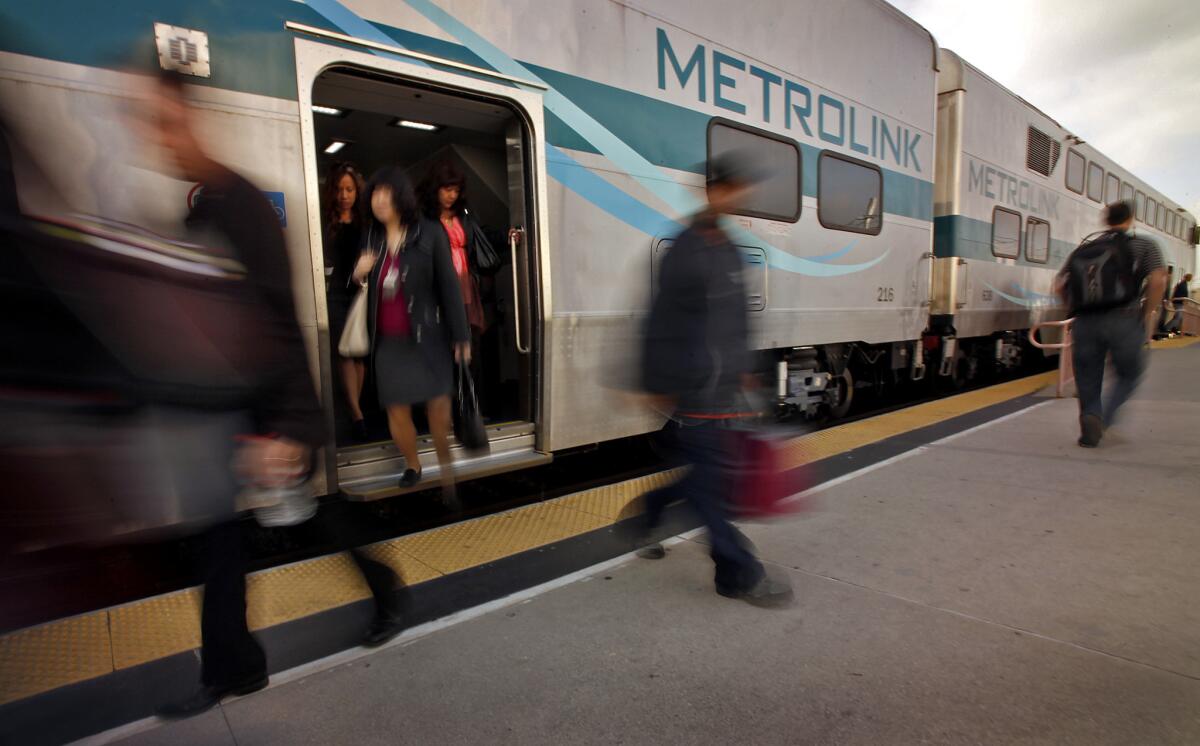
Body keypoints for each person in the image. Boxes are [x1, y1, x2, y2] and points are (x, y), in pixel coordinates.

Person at [634, 152, 793, 608]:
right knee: (711, 489)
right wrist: (655, 381)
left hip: (726, 388)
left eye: (743, 190)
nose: (740, 198)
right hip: (695, 385)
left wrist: (746, 369)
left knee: (707, 480)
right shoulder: (686, 248)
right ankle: (737, 572)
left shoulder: (728, 248)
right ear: (713, 191)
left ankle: (651, 510)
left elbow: (738, 317)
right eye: (733, 189)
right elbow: (659, 320)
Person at [353, 167, 470, 501]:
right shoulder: (371, 238)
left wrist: (461, 337)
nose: (379, 201)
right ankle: (412, 464)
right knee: (396, 409)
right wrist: (359, 275)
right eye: (374, 194)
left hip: (427, 339)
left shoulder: (429, 234)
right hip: (389, 343)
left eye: (385, 194)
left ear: (401, 197)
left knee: (437, 412)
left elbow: (450, 287)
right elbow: (361, 289)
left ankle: (448, 473)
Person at [1058, 200, 1166, 448]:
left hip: (1085, 321)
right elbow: (1158, 281)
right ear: (1130, 220)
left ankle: (1091, 415)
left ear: (1106, 220)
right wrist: (1145, 314)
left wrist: (1073, 310)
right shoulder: (1144, 245)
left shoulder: (1083, 248)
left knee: (1086, 376)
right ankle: (1103, 418)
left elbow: (1059, 285)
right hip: (1124, 317)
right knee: (1129, 373)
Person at [322, 162, 370, 440]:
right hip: (335, 293)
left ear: (356, 192)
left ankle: (355, 409)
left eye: (349, 189)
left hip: (360, 293)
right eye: (339, 189)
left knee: (359, 353)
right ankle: (356, 412)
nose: (344, 195)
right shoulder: (325, 222)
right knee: (344, 352)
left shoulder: (364, 222)